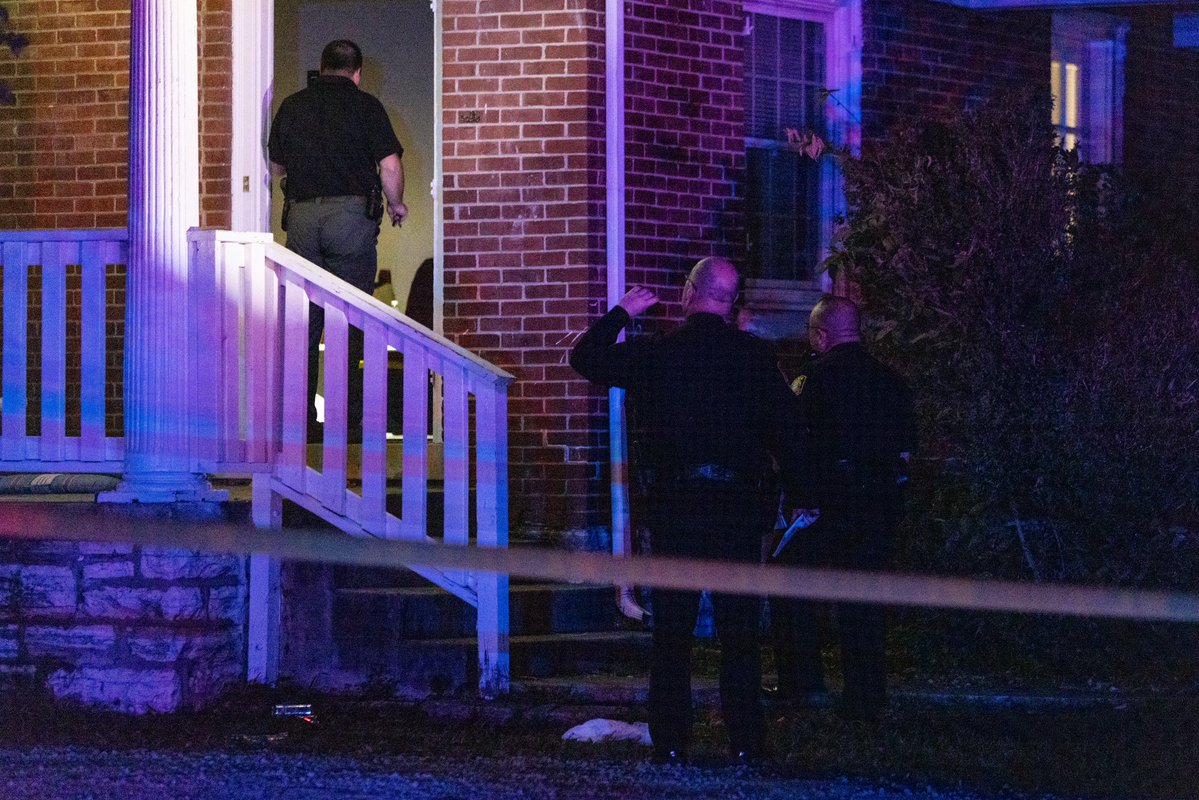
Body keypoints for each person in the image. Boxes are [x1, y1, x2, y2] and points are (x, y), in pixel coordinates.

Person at [569, 257, 806, 765]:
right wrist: (796, 495)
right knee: (739, 630)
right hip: (737, 509)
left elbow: (585, 359)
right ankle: (746, 740)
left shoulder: (658, 355)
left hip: (677, 506)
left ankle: (672, 739)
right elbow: (789, 433)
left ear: (687, 293)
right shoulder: (755, 358)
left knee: (672, 632)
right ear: (730, 300)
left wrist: (621, 313)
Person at [769, 295, 916, 722]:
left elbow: (799, 446)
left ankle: (802, 683)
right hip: (877, 503)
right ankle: (866, 695)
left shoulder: (814, 381)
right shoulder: (890, 380)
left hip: (830, 502)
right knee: (862, 598)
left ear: (821, 334)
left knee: (789, 582)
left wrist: (802, 500)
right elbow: (906, 453)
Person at [267, 39, 408, 439]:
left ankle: (301, 424)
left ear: (322, 67)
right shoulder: (367, 107)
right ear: (357, 72)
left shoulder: (293, 106)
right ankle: (344, 425)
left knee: (304, 325)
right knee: (348, 320)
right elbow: (389, 165)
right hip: (350, 218)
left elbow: (276, 166)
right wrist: (396, 205)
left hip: (303, 218)